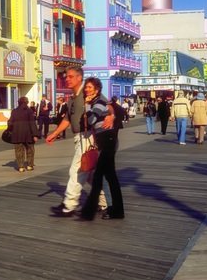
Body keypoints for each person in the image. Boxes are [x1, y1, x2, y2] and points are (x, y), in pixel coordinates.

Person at [46, 66, 110, 217]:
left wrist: (111, 116)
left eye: (70, 76)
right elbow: (68, 119)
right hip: (78, 137)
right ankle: (104, 202)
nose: (66, 79)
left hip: (88, 136)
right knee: (88, 174)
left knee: (77, 170)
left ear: (79, 78)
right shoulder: (72, 99)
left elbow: (107, 104)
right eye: (66, 77)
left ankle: (69, 205)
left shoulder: (87, 92)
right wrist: (55, 133)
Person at [79, 77, 124, 221]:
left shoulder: (98, 101)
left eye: (90, 87)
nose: (87, 89)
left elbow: (91, 120)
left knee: (105, 177)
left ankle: (111, 208)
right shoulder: (96, 101)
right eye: (86, 87)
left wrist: (87, 105)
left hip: (108, 140)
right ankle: (112, 208)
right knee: (107, 176)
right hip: (105, 140)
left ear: (97, 89)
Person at [7, 96, 39, 172]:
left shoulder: (14, 111)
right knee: (30, 149)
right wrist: (35, 134)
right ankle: (29, 165)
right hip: (28, 134)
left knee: (19, 150)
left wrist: (10, 129)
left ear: (18, 103)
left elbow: (10, 122)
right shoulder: (29, 111)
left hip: (17, 134)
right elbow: (32, 123)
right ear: (27, 102)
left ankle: (21, 167)